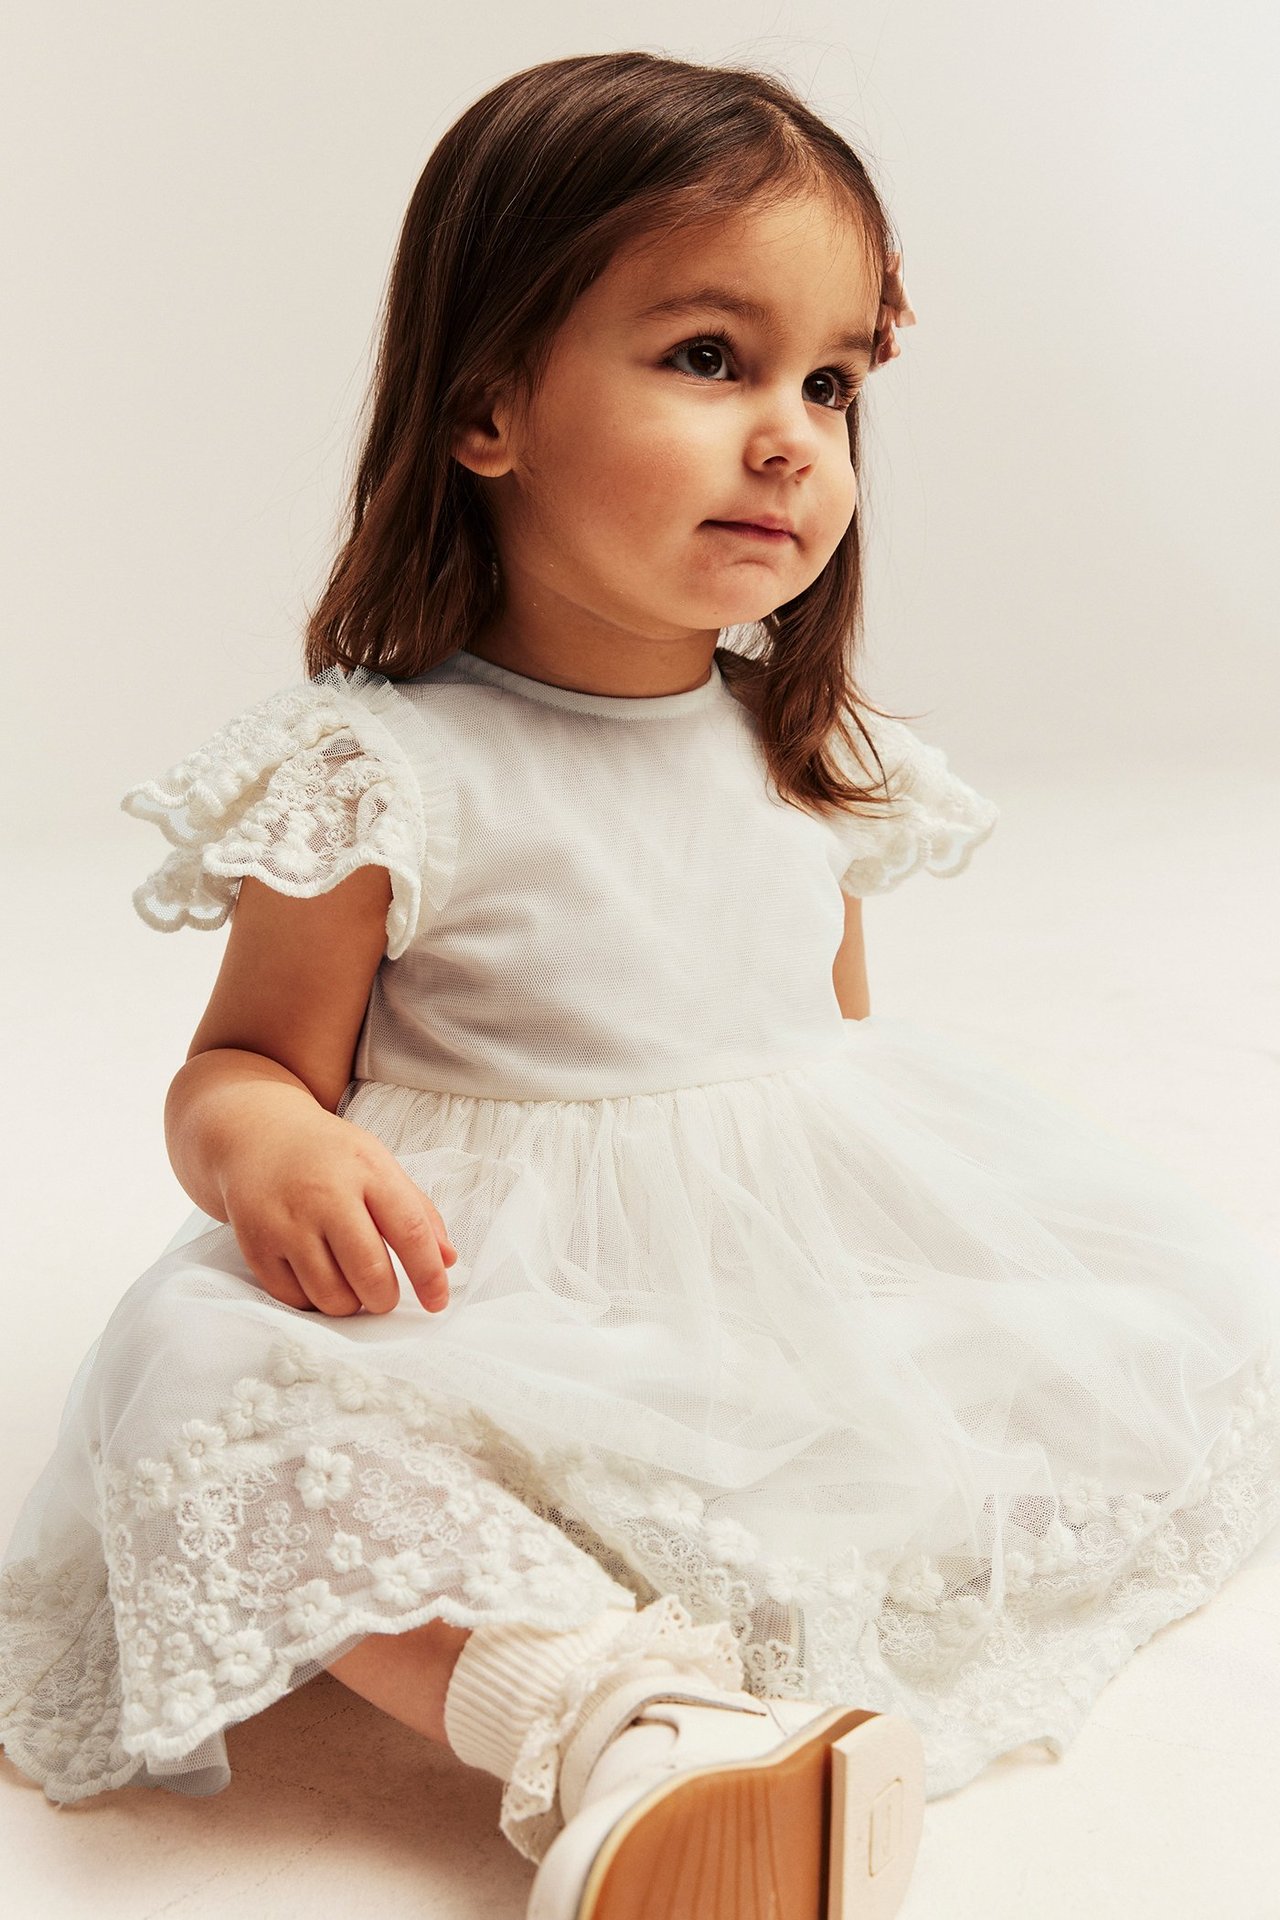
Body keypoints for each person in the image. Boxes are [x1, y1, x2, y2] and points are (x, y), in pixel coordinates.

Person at [3, 48, 1278, 1920]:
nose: (793, 435)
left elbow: (820, 1061)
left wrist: (849, 1294)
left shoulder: (796, 750)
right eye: (710, 359)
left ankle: (733, 1651)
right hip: (473, 1280)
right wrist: (269, 1150)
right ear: (488, 406)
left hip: (748, 1292)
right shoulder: (384, 769)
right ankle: (612, 1724)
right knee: (201, 1383)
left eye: (832, 383)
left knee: (1060, 1346)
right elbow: (244, 1066)